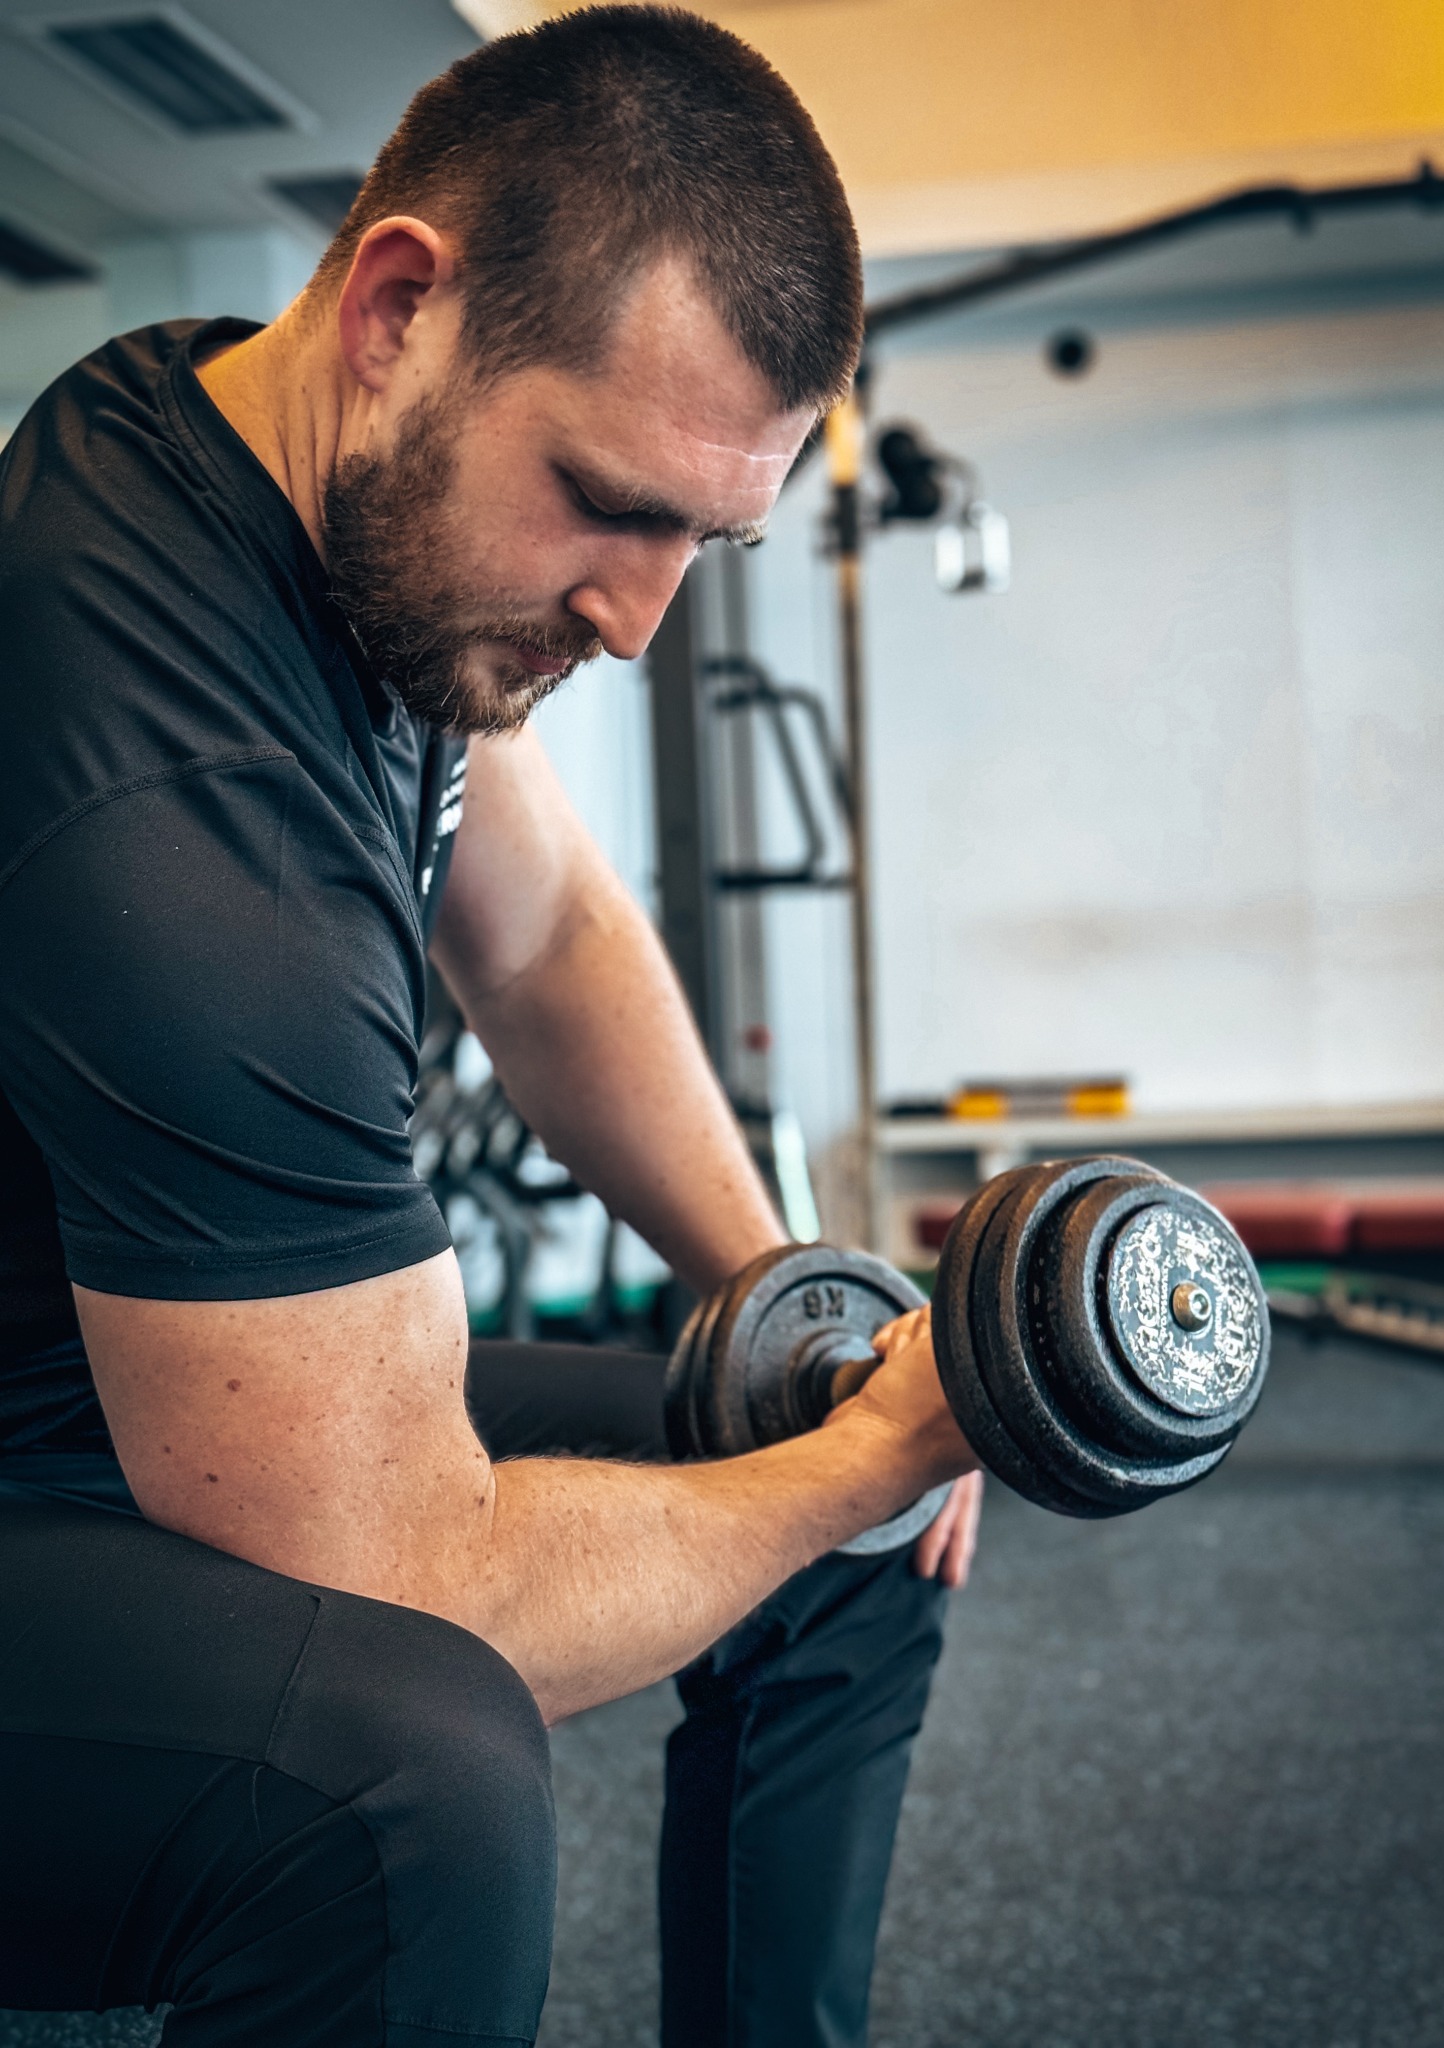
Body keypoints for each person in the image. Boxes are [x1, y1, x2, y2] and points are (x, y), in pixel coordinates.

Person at [0, 9, 982, 2045]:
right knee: (406, 1772)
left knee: (837, 1501)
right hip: (38, 1489)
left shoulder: (271, 460)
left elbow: (538, 933)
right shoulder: (173, 805)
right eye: (607, 503)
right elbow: (408, 1568)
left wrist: (795, 1305)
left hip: (128, 1401)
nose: (640, 622)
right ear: (398, 311)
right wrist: (861, 1456)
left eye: (700, 546)